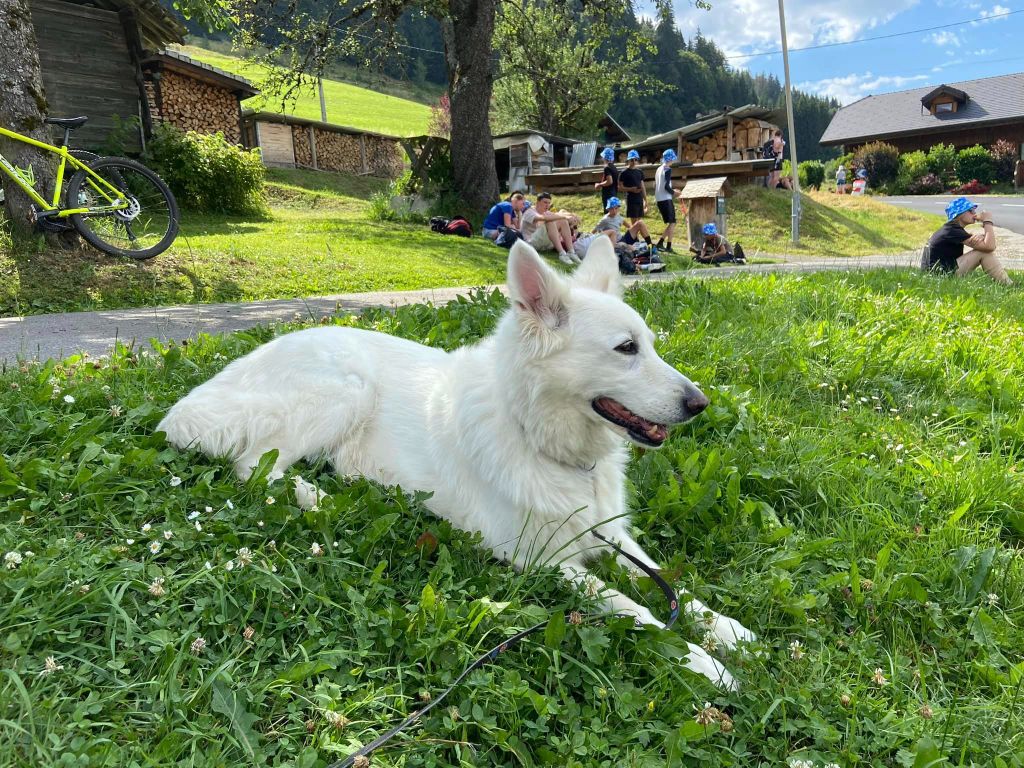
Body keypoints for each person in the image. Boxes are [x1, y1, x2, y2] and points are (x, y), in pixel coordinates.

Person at [926, 196, 1011, 285]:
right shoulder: (952, 230)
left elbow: (989, 245)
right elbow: (989, 247)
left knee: (983, 250)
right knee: (982, 252)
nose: (974, 213)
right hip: (939, 277)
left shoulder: (951, 229)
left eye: (974, 210)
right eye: (970, 210)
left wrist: (983, 238)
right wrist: (987, 221)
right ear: (959, 214)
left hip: (938, 274)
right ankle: (1008, 284)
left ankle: (1007, 283)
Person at [520, 192, 580, 264]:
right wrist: (564, 216)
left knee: (563, 221)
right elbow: (544, 218)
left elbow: (558, 216)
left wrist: (573, 217)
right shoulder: (529, 212)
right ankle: (562, 254)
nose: (547, 205)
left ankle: (571, 252)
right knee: (550, 221)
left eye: (549, 203)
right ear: (537, 202)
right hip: (531, 243)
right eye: (545, 202)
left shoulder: (546, 212)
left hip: (545, 245)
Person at [618, 150, 656, 249]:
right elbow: (620, 187)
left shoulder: (639, 172)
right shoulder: (624, 173)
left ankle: (638, 242)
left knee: (639, 222)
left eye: (635, 160)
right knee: (634, 223)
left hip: (639, 199)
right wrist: (631, 189)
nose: (634, 161)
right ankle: (635, 241)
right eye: (632, 160)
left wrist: (646, 200)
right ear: (628, 160)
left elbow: (642, 186)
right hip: (631, 199)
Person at [654, 148, 682, 253]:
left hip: (659, 198)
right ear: (671, 159)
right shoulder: (668, 169)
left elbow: (658, 185)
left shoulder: (659, 169)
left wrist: (672, 190)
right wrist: (674, 193)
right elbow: (666, 187)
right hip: (665, 198)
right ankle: (668, 246)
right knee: (673, 222)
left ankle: (661, 243)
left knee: (672, 222)